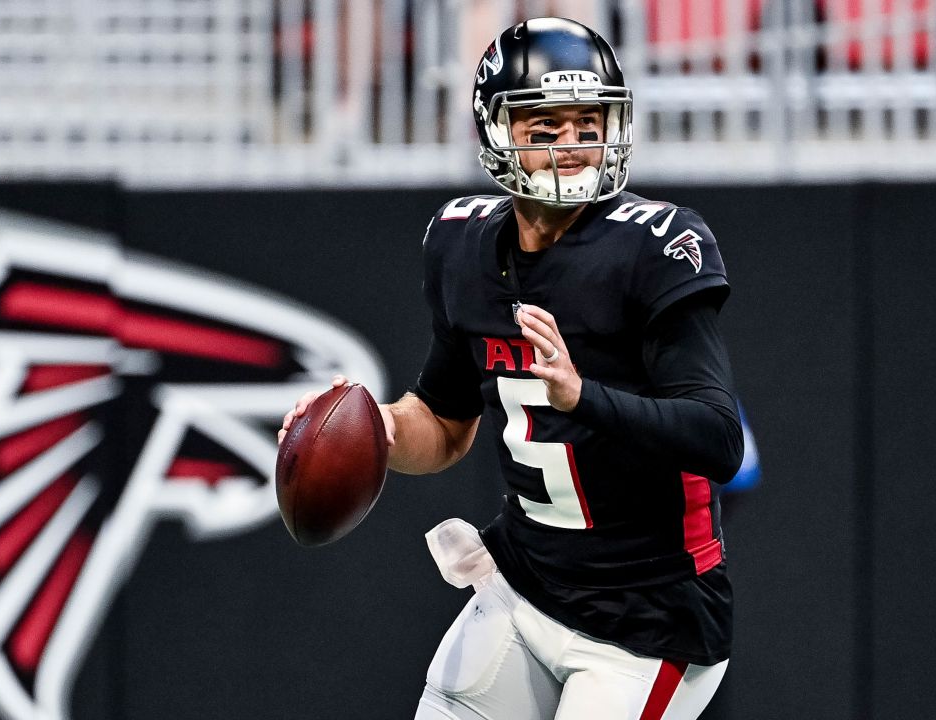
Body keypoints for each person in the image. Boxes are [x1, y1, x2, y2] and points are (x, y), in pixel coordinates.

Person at [279, 17, 742, 720]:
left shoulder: (655, 248)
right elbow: (445, 420)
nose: (573, 149)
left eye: (588, 127)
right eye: (547, 129)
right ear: (499, 132)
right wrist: (371, 423)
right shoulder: (463, 245)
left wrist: (583, 396)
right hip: (530, 586)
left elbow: (717, 437)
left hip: (648, 621)